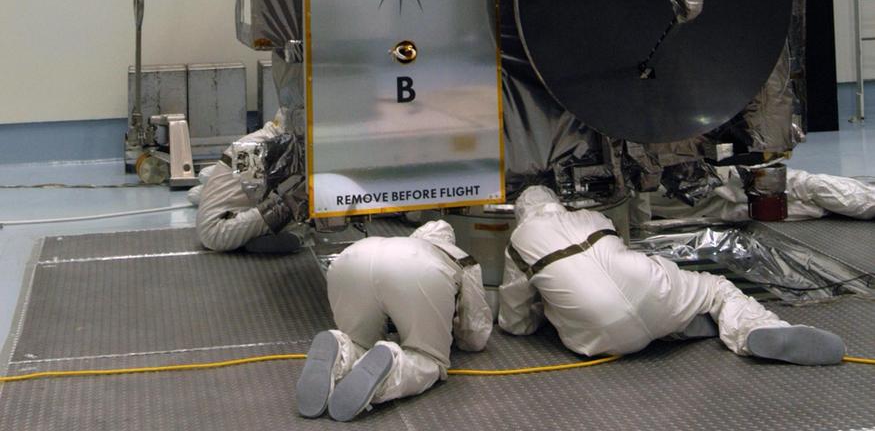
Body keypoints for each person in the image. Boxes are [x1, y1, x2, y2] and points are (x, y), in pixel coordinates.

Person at [498, 186, 845, 366]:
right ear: (560, 204)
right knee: (717, 288)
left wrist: (542, 312)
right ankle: (756, 328)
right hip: (646, 286)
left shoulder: (520, 240)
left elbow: (516, 320)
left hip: (597, 339)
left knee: (583, 302)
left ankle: (672, 328)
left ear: (521, 216)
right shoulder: (590, 218)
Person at [296, 220, 492, 422]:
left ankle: (340, 348)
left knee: (359, 342)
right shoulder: (460, 257)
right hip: (419, 269)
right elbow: (475, 332)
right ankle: (392, 365)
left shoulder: (407, 243)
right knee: (429, 358)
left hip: (351, 259)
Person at [193, 120, 306, 254]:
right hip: (217, 229)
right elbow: (259, 197)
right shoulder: (257, 147)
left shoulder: (260, 139)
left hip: (223, 214)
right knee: (290, 207)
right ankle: (297, 234)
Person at [645, 165, 875, 224]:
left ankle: (868, 202)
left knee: (803, 187)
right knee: (803, 197)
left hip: (714, 182)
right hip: (705, 199)